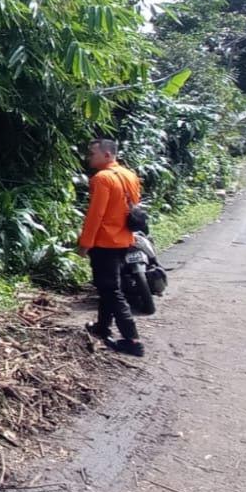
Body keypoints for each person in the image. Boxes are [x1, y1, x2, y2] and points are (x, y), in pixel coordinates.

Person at [77, 138, 146, 357]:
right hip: (124, 239)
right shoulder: (129, 175)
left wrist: (85, 243)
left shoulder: (102, 178)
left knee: (110, 289)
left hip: (105, 241)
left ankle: (132, 340)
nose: (89, 157)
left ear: (107, 155)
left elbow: (96, 214)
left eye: (93, 153)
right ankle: (102, 327)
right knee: (108, 286)